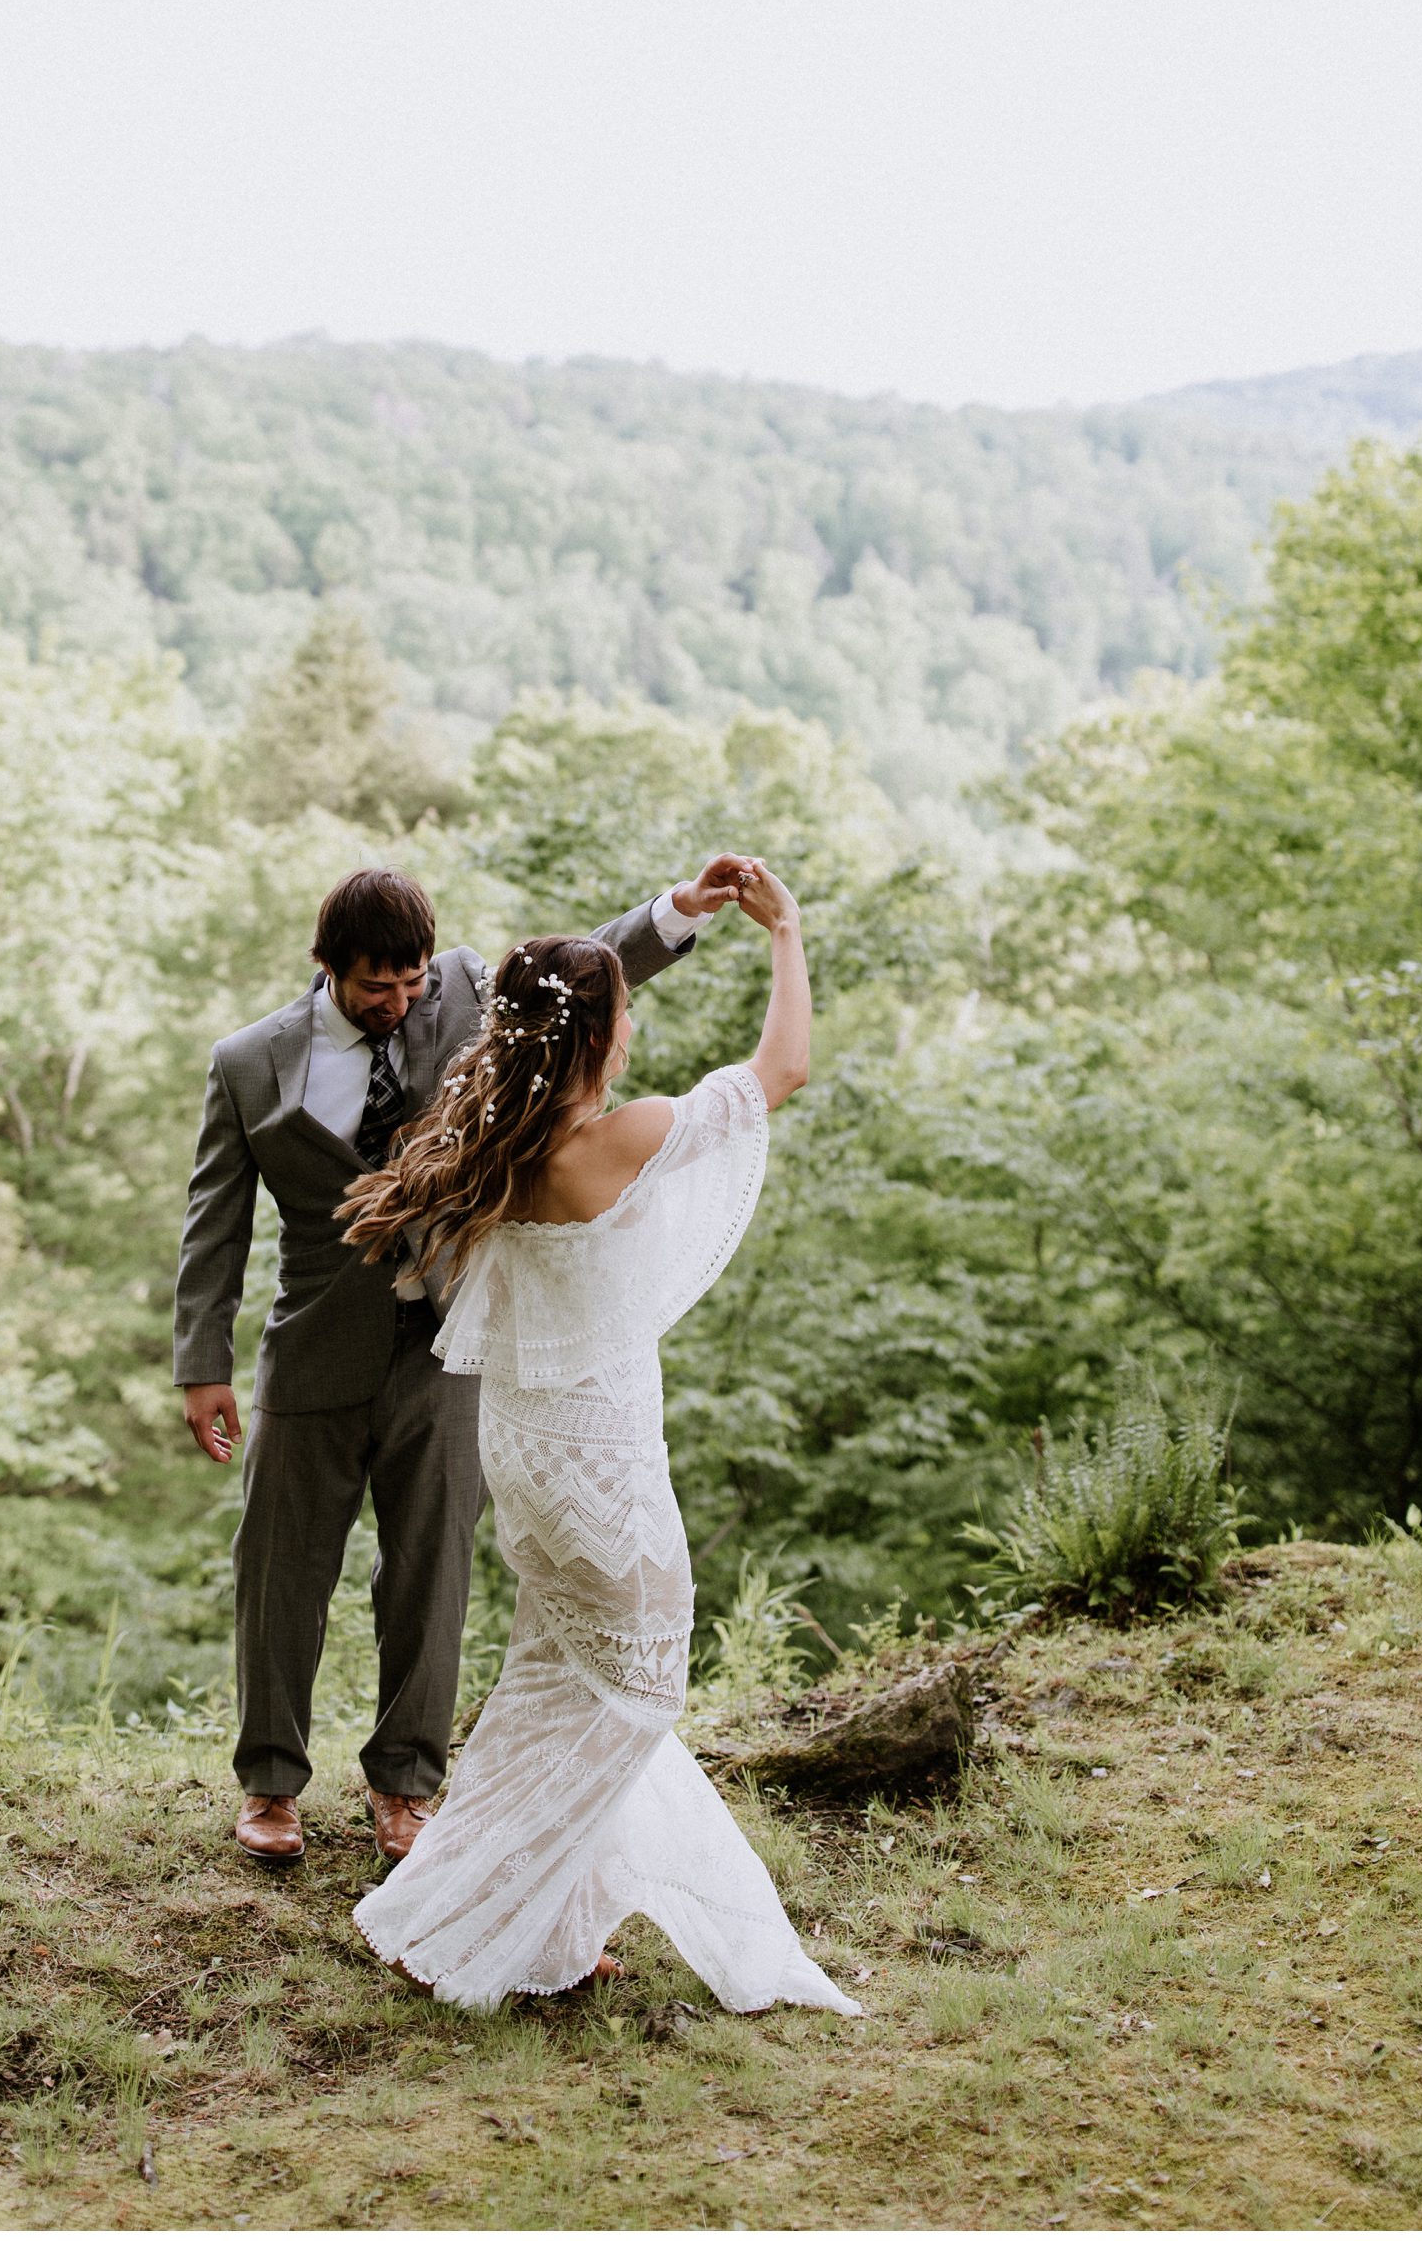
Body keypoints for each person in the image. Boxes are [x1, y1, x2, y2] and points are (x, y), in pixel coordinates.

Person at [340, 861, 859, 2015]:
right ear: (598, 1038)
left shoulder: (496, 1143)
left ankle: (547, 1925)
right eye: (626, 1011)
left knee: (555, 1680)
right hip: (597, 1461)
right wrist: (786, 934)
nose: (634, 1028)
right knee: (638, 1688)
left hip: (523, 1455)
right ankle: (472, 1912)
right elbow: (782, 1070)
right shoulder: (615, 1139)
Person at [173, 857, 758, 1866]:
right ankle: (269, 1783)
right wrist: (201, 1361)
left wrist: (676, 912)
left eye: (409, 981)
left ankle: (404, 1783)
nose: (398, 1002)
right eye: (374, 987)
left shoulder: (467, 990)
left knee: (431, 1567)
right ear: (325, 967)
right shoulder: (246, 1064)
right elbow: (212, 1221)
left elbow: (577, 980)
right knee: (280, 1570)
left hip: (454, 1337)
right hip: (312, 1347)